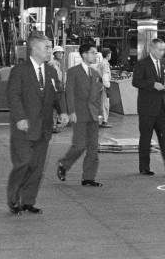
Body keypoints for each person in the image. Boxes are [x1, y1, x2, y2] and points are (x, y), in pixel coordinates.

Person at [7, 34, 68, 215]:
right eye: (47, 47)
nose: (50, 50)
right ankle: (13, 199)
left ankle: (28, 201)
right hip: (24, 127)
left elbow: (58, 93)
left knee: (37, 167)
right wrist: (20, 118)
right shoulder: (20, 70)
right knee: (23, 163)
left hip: (44, 128)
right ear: (34, 49)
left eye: (50, 47)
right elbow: (13, 95)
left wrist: (63, 111)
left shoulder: (50, 71)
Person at [132, 38, 165, 176]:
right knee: (146, 138)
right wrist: (152, 84)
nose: (162, 52)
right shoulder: (142, 64)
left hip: (162, 108)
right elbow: (136, 81)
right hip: (147, 108)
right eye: (159, 49)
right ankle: (144, 167)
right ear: (151, 49)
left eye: (163, 49)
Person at [56, 44, 104, 187]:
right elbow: (68, 93)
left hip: (93, 115)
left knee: (93, 148)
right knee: (79, 145)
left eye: (96, 53)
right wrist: (71, 112)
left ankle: (88, 177)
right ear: (84, 54)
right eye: (93, 53)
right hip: (79, 113)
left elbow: (98, 96)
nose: (95, 56)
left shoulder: (96, 74)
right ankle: (64, 164)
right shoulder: (73, 72)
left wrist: (100, 114)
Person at [98, 48, 112, 128]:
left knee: (102, 104)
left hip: (100, 85)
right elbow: (105, 77)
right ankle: (104, 121)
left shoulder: (101, 63)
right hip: (104, 86)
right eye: (110, 54)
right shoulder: (105, 64)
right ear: (108, 55)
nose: (110, 55)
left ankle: (101, 120)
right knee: (105, 104)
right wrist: (108, 86)